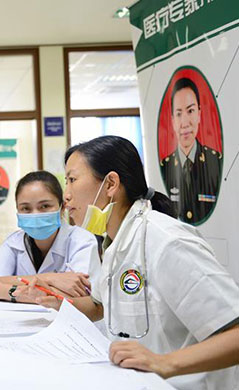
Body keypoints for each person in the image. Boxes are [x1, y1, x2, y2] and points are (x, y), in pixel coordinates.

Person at [27, 136, 239, 389]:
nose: (67, 196)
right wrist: (62, 305)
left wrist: (164, 363)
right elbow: (102, 306)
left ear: (111, 184)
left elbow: (233, 333)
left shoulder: (166, 241)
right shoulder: (112, 243)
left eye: (72, 180)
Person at [0, 171, 97, 303]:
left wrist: (3, 290)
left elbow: (78, 296)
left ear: (62, 208)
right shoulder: (13, 242)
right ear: (17, 211)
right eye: (26, 208)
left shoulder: (82, 241)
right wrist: (51, 279)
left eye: (44, 206)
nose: (35, 214)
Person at [160, 77, 222, 224]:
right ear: (173, 120)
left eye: (190, 111)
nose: (185, 122)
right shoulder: (164, 168)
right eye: (179, 114)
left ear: (199, 113)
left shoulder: (216, 162)